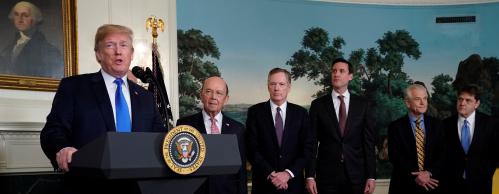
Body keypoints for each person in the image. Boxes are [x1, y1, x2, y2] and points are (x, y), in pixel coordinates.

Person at [40, 24, 167, 193]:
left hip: (138, 187)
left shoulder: (145, 96)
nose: (118, 51)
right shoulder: (74, 87)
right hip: (88, 185)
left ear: (131, 53)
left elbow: (159, 137)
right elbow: (53, 131)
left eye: (124, 45)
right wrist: (62, 148)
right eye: (110, 45)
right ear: (98, 54)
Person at [305, 58, 376, 194]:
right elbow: (312, 143)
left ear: (350, 76)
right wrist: (309, 175)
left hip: (357, 175)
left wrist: (371, 176)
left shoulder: (363, 105)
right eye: (334, 71)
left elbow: (369, 143)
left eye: (341, 71)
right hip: (326, 176)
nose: (336, 74)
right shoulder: (318, 105)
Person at [246, 68, 314, 194]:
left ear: (289, 87)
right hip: (263, 184)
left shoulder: (301, 114)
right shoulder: (255, 112)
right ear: (268, 86)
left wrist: (287, 174)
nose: (276, 88)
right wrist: (271, 174)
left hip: (293, 185)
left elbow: (308, 148)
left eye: (281, 84)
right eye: (273, 84)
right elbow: (251, 148)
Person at [176, 76, 247, 194]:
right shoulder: (185, 124)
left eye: (219, 93)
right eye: (208, 91)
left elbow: (241, 171)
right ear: (201, 95)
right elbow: (179, 166)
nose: (213, 97)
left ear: (226, 99)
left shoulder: (237, 129)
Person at [440, 84, 499, 194]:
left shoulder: (491, 124)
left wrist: (486, 173)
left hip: (481, 184)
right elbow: (440, 155)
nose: (462, 103)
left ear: (477, 103)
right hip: (451, 185)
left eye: (468, 100)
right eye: (460, 99)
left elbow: (495, 153)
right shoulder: (444, 125)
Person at [388, 84, 443, 194]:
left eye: (425, 98)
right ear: (407, 102)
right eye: (418, 99)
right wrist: (418, 176)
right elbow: (395, 156)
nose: (423, 103)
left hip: (432, 184)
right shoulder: (395, 127)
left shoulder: (438, 125)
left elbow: (443, 154)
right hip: (404, 185)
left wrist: (428, 173)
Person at [0, 1, 63, 78]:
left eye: (25, 15)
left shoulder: (49, 51)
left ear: (35, 19)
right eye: (16, 14)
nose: (19, 19)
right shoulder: (8, 49)